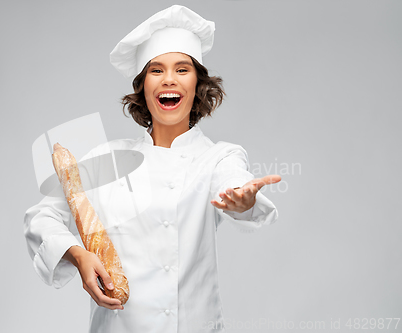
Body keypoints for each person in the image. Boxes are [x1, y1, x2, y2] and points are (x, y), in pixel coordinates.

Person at [24, 5, 281, 333]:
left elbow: (233, 182)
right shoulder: (108, 159)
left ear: (198, 84)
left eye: (182, 69)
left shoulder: (218, 157)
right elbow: (40, 218)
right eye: (156, 70)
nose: (169, 79)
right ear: (143, 87)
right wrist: (78, 255)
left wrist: (242, 199)